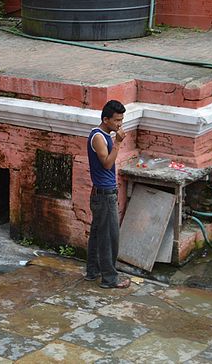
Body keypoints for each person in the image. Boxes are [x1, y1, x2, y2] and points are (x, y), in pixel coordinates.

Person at [86, 100, 131, 289]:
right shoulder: (99, 137)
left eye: (121, 120)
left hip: (103, 192)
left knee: (97, 235)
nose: (119, 124)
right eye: (116, 120)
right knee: (109, 237)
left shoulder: (105, 135)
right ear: (106, 119)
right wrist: (118, 143)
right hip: (104, 195)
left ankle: (93, 271)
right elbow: (106, 163)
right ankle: (110, 278)